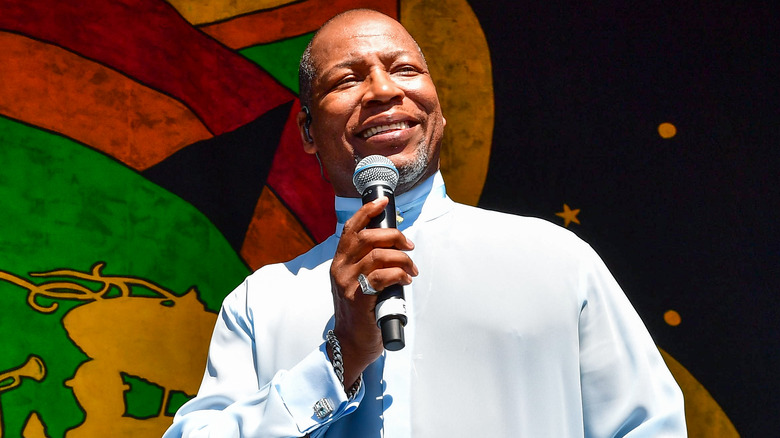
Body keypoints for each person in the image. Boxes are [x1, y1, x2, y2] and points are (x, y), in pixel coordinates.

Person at [164, 9, 687, 437]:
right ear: (306, 130)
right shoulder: (261, 303)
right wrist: (337, 362)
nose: (383, 90)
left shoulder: (557, 261)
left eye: (406, 70)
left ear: (438, 106)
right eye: (347, 79)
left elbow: (650, 428)